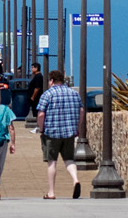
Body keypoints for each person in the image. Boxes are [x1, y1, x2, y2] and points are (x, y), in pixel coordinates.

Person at [33, 70, 83, 199]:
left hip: (51, 132)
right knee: (69, 160)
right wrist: (77, 127)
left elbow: (41, 114)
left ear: (52, 80)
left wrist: (41, 129)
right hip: (69, 133)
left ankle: (51, 192)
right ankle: (75, 179)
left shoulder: (48, 94)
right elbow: (81, 111)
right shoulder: (74, 93)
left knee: (52, 162)